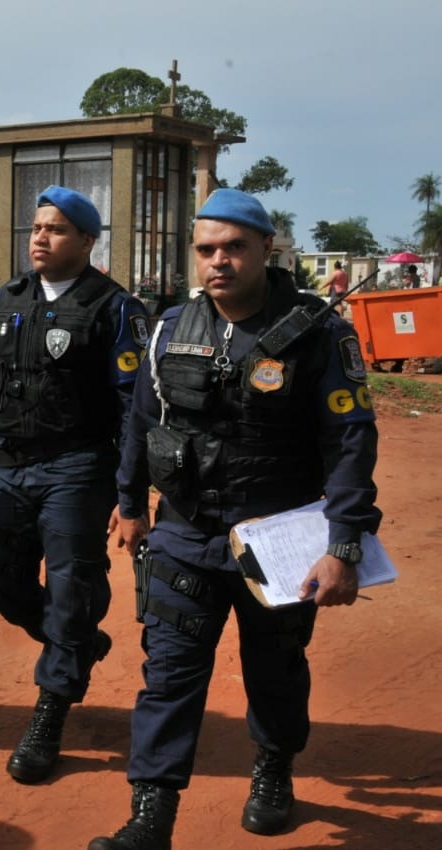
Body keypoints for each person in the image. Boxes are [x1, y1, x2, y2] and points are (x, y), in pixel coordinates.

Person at [89, 189, 381, 849]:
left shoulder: (320, 333)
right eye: (206, 249)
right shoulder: (169, 327)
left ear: (266, 248)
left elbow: (350, 441)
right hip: (185, 532)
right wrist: (131, 504)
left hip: (280, 538)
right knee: (167, 673)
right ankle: (150, 818)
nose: (218, 261)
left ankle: (274, 765)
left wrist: (344, 545)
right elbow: (141, 422)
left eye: (234, 247)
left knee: (275, 669)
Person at [0, 186, 151, 784]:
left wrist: (131, 492)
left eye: (56, 230)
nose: (40, 238)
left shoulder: (115, 309)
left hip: (78, 468)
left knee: (69, 590)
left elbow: (134, 409)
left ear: (87, 242)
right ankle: (77, 641)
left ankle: (49, 712)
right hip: (11, 466)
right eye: (35, 228)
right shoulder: (9, 299)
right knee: (0, 578)